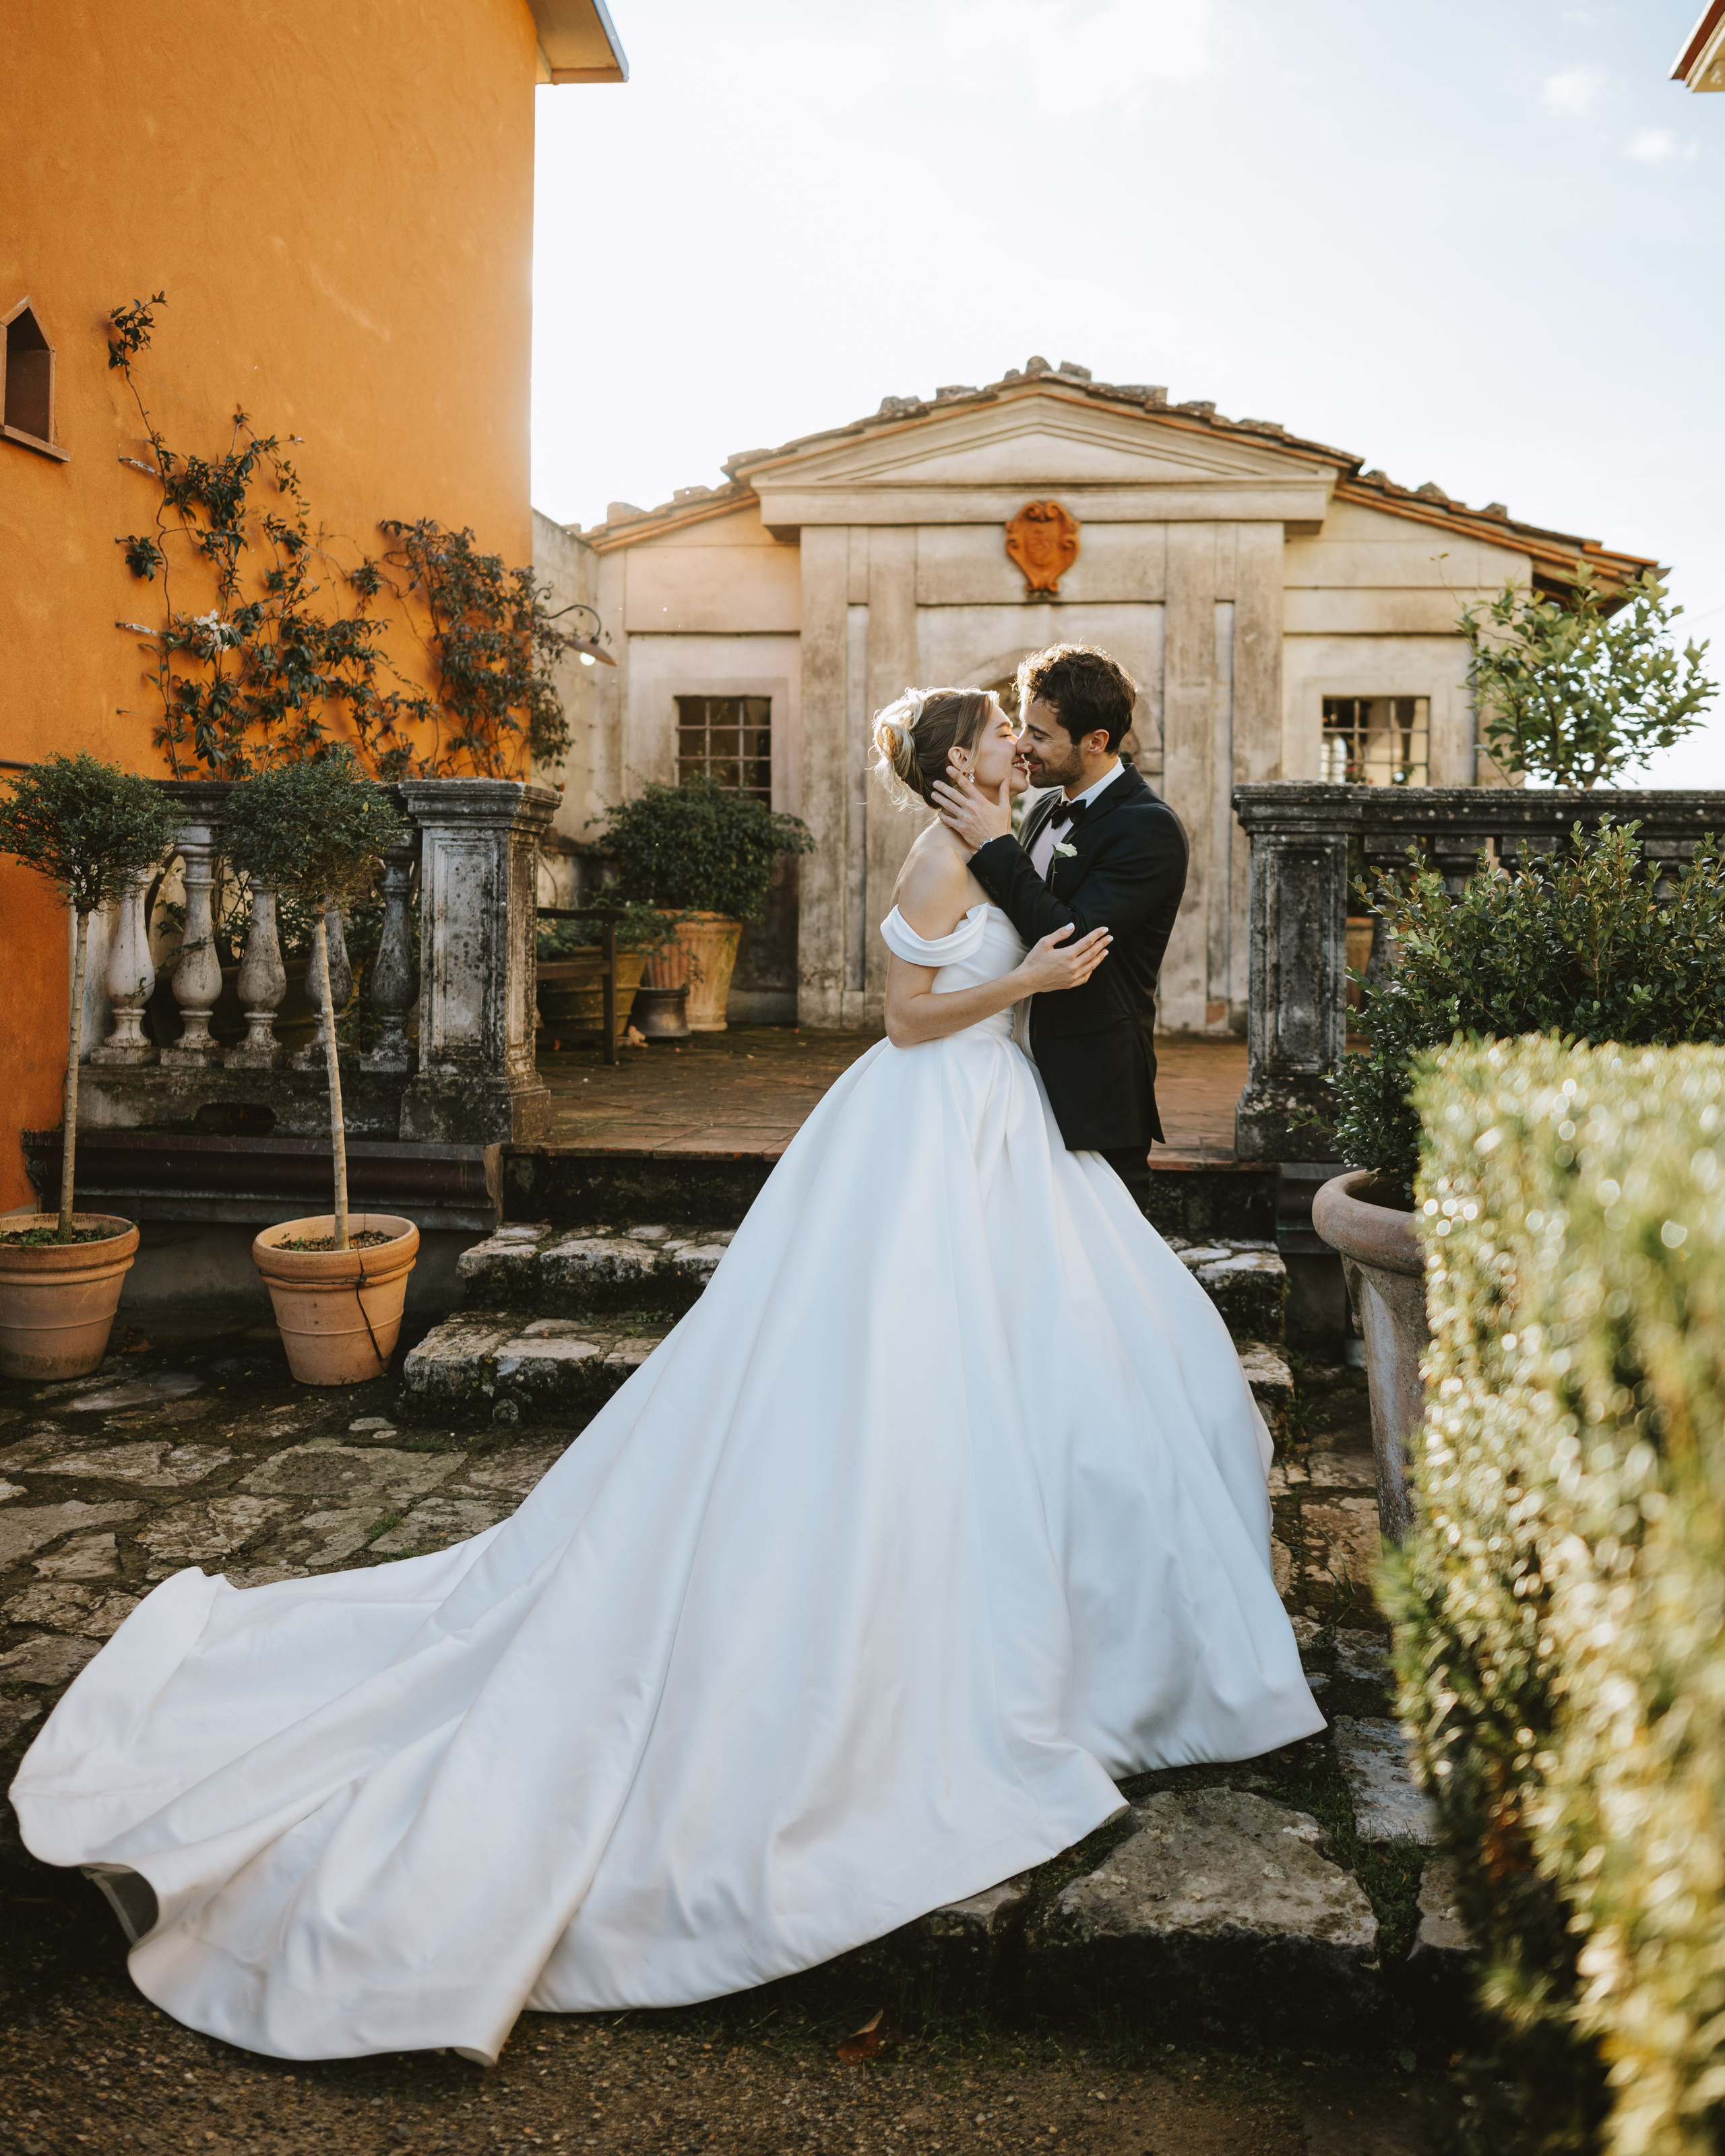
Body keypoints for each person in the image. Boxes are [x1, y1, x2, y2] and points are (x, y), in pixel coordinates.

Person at [11, 687, 1321, 2068]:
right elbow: (906, 1020)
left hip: (1010, 1137)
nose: (1016, 735)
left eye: (1020, 723)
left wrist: (1036, 964)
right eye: (995, 727)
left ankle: (1098, 1627)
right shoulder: (946, 850)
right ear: (950, 762)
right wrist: (1025, 984)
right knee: (899, 1377)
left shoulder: (1015, 829)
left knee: (1095, 1362)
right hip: (934, 1119)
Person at [932, 643, 1183, 1213]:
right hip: (1013, 1076)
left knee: (1112, 1252)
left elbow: (1071, 942)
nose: (1023, 744)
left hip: (1091, 1085)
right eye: (1022, 727)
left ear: (1096, 742)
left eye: (1040, 735)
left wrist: (994, 846)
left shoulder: (1148, 829)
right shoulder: (1044, 808)